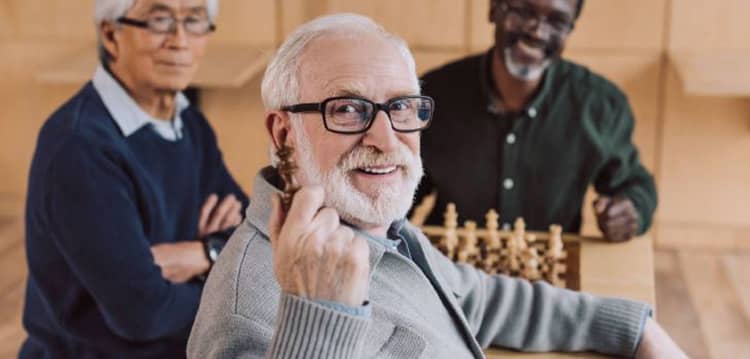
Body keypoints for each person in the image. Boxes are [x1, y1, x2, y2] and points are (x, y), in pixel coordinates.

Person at [187, 13, 685, 359]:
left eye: (402, 107)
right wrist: (320, 314)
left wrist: (634, 328)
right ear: (282, 133)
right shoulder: (246, 311)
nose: (386, 139)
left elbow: (478, 299)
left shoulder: (373, 224)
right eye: (346, 109)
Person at [21, 0, 248, 357]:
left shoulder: (188, 122)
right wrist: (231, 279)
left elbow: (251, 231)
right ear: (111, 35)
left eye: (194, 20)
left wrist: (205, 254)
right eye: (159, 20)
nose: (180, 40)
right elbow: (144, 313)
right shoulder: (79, 147)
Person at [414, 0, 657, 242]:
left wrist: (631, 209)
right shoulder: (434, 97)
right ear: (493, 9)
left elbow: (635, 184)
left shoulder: (600, 107)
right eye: (523, 11)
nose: (537, 32)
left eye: (557, 21)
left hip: (550, 271)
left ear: (570, 29)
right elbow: (402, 189)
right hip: (448, 268)